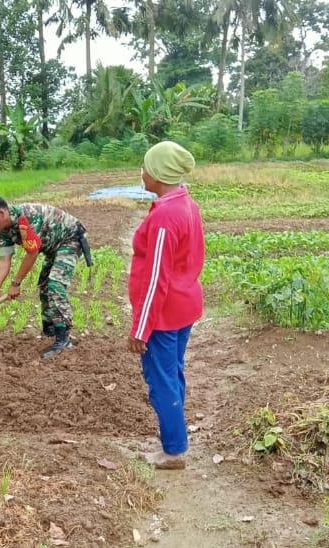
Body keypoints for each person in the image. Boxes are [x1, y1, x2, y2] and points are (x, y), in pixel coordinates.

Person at [127, 141, 205, 470]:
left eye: (145, 167)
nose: (141, 173)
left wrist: (141, 328)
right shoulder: (184, 203)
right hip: (184, 306)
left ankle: (173, 452)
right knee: (173, 373)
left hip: (164, 315)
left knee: (161, 381)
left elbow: (156, 276)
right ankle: (174, 438)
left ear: (158, 174)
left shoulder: (165, 217)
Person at [0, 193, 92, 359]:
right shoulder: (4, 230)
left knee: (55, 284)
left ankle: (64, 337)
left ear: (2, 213)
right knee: (44, 284)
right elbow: (4, 262)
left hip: (70, 239)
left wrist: (15, 283)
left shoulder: (26, 219)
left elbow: (32, 253)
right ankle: (50, 330)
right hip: (53, 247)